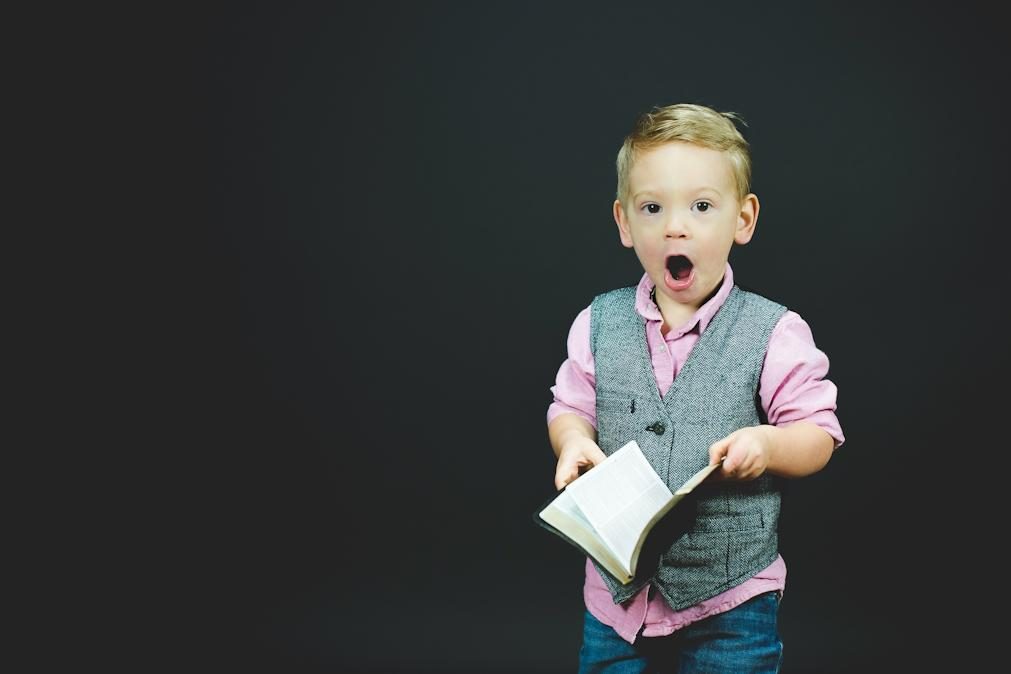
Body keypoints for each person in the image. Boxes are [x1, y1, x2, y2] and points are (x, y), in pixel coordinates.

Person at [546, 103, 844, 673]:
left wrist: (770, 445)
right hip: (617, 598)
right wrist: (572, 441)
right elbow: (570, 405)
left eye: (702, 206)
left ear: (743, 219)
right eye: (652, 208)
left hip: (731, 597)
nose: (674, 226)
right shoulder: (597, 322)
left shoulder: (773, 331)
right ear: (624, 223)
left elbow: (819, 434)